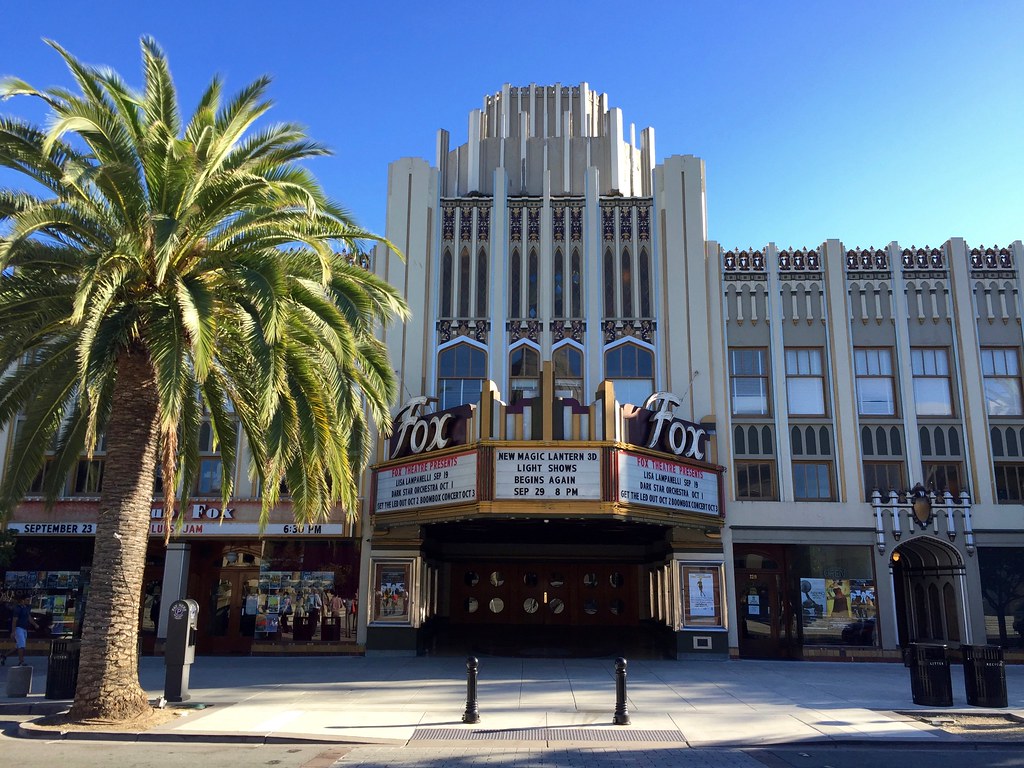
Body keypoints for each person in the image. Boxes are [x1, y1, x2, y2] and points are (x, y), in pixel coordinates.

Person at [2, 595, 39, 666]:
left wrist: (35, 624)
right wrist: (13, 632)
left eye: (29, 600)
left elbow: (29, 617)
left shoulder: (27, 607)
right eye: (27, 600)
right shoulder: (18, 609)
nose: (29, 601)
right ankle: (21, 661)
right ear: (22, 601)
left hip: (24, 629)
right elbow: (14, 621)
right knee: (21, 646)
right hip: (18, 629)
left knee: (18, 646)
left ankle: (4, 656)